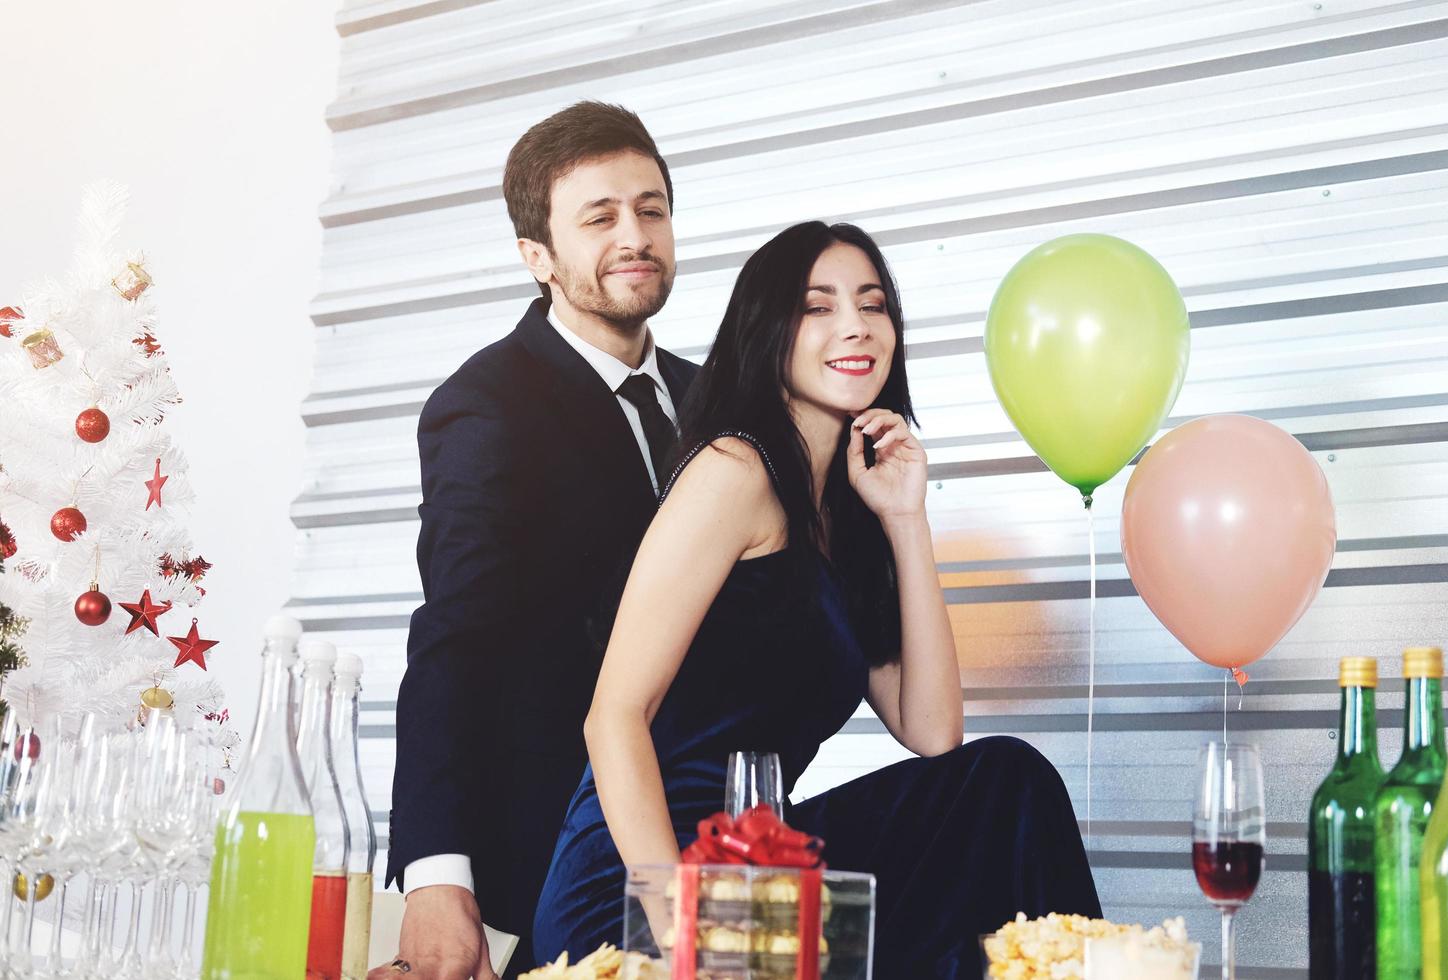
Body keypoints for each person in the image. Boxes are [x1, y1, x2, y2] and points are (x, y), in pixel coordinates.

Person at [533, 221, 1102, 977]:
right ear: (769, 330)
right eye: (818, 306)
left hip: (758, 872)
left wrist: (904, 517)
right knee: (1005, 787)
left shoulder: (844, 514)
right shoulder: (735, 471)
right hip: (638, 884)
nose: (854, 327)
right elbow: (613, 718)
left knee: (1001, 783)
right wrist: (679, 923)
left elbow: (932, 733)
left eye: (872, 305)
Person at [376, 102, 697, 980]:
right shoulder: (487, 404)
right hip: (556, 865)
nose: (635, 236)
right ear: (538, 257)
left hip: (712, 838)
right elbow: (454, 635)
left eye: (652, 209)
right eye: (599, 218)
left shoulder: (722, 405)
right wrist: (436, 876)